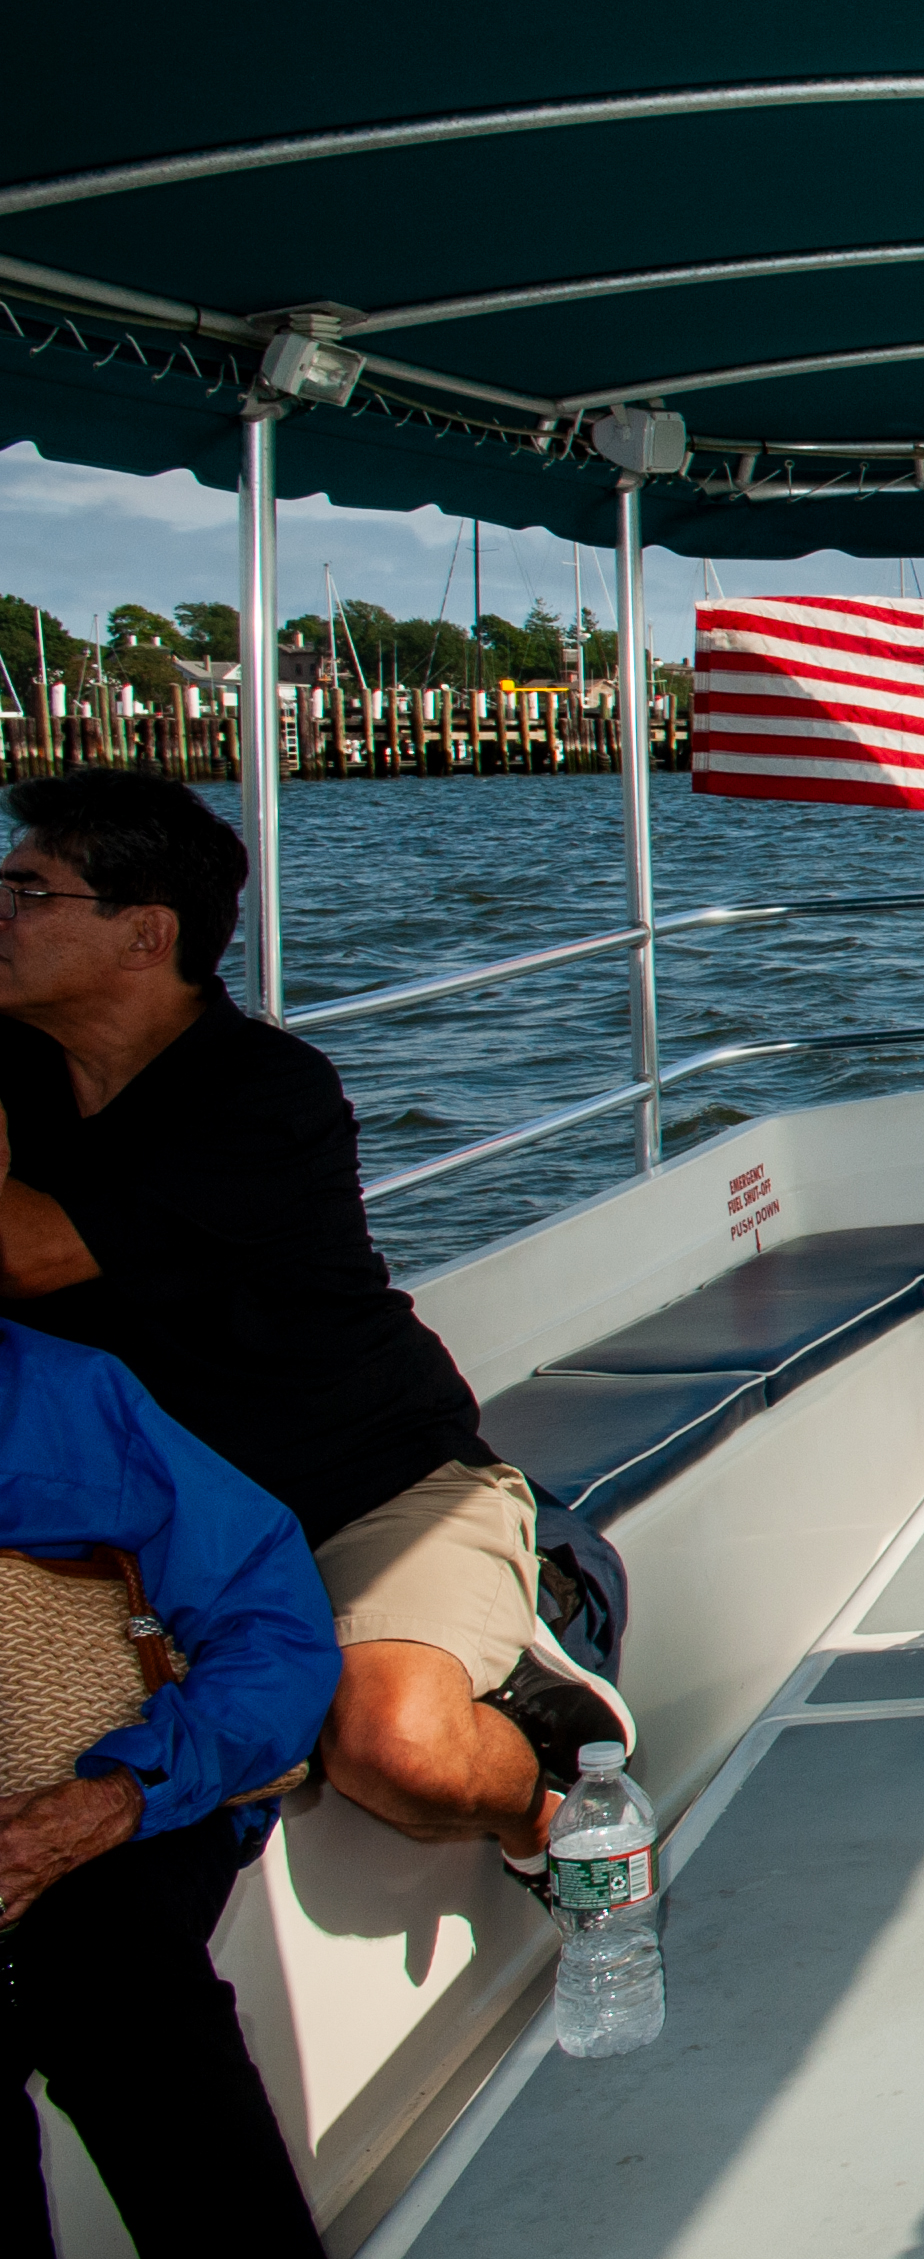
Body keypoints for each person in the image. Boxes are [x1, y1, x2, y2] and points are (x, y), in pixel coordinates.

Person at [0, 771, 624, 1887]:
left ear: (146, 934)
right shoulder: (21, 1075)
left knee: (397, 1750)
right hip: (149, 1529)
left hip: (357, 1492)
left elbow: (29, 1255)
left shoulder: (262, 1093)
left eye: (27, 891)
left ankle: (551, 1815)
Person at [0, 1317, 341, 2259]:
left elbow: (270, 1627)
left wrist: (107, 1800)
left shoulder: (60, 1393)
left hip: (116, 1793)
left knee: (116, 1978)